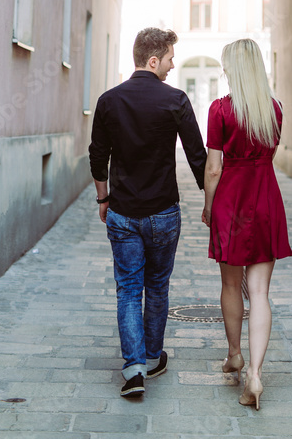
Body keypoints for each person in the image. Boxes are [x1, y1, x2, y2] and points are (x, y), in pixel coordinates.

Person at [89, 27, 206, 398]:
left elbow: (97, 154)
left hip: (122, 213)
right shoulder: (176, 100)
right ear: (153, 60)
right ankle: (153, 357)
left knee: (127, 290)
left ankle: (134, 368)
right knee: (156, 287)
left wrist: (103, 200)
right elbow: (197, 157)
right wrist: (211, 202)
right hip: (163, 214)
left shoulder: (109, 100)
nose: (173, 66)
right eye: (170, 58)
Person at [201, 38, 292, 410]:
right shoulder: (274, 109)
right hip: (266, 197)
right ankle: (255, 373)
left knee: (230, 285)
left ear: (232, 70)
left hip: (232, 200)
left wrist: (209, 208)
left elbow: (213, 168)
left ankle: (235, 354)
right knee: (260, 292)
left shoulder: (220, 110)